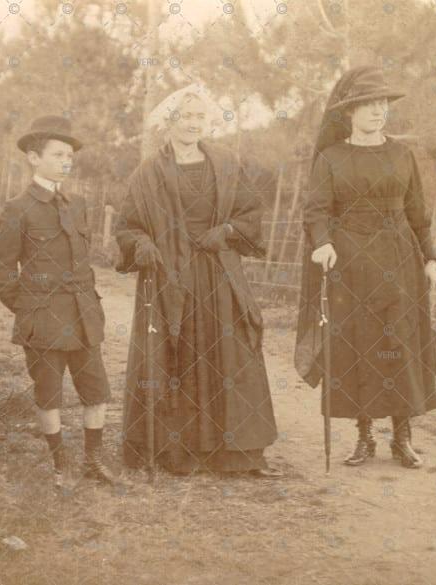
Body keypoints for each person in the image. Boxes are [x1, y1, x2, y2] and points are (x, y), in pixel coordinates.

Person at [115, 86, 282, 477]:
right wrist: (141, 244)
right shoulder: (149, 172)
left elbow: (250, 212)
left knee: (231, 354)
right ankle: (178, 453)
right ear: (169, 121)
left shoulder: (225, 163)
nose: (192, 123)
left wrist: (224, 231)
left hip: (218, 275)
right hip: (169, 277)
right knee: (176, 357)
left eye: (199, 117)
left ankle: (236, 453)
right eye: (184, 116)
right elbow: (128, 225)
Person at [295, 66, 436, 469]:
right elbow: (316, 210)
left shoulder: (402, 154)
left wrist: (429, 256)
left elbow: (417, 212)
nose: (379, 112)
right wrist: (323, 243)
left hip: (400, 260)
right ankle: (363, 437)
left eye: (383, 105)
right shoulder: (332, 158)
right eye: (369, 106)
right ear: (350, 113)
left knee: (399, 345)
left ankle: (402, 437)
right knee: (359, 346)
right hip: (351, 264)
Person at [0, 115, 116, 490]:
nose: (66, 161)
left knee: (97, 389)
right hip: (43, 321)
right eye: (58, 154)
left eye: (70, 156)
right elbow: (0, 268)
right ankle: (60, 465)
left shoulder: (78, 204)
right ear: (33, 157)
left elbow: (83, 260)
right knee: (49, 394)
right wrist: (29, 309)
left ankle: (93, 461)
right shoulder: (18, 208)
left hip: (83, 315)